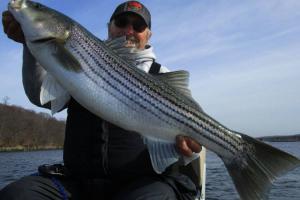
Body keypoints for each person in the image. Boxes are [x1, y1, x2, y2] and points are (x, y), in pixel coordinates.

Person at [0, 1, 202, 200]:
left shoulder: (164, 76)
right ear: (109, 27)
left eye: (138, 26)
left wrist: (192, 145)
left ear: (148, 34)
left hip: (141, 184)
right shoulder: (83, 59)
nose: (129, 30)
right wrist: (31, 45)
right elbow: (40, 97)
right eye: (122, 22)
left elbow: (193, 144)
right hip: (76, 183)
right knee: (16, 195)